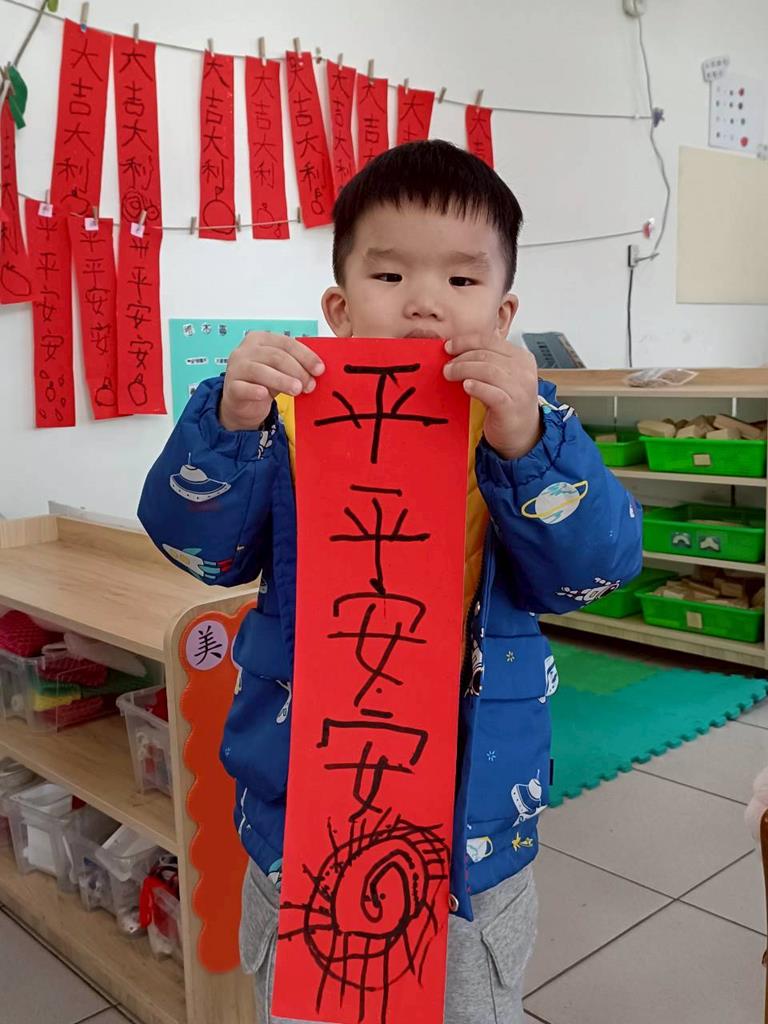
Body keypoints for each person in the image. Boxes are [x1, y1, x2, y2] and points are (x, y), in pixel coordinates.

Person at [138, 139, 643, 1023]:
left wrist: (530, 446)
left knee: (465, 1001)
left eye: (461, 279)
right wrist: (227, 426)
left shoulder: (527, 431)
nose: (423, 302)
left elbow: (594, 573)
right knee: (304, 1005)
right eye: (389, 274)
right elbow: (200, 552)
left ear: (504, 310)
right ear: (339, 307)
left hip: (469, 841)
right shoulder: (284, 425)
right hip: (304, 823)